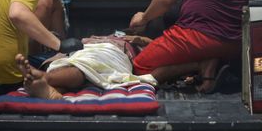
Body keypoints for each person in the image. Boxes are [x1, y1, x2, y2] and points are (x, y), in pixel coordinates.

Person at [14, 34, 157, 100]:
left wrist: (138, 38)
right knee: (65, 62)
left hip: (110, 51)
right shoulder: (95, 37)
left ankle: (46, 78)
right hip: (81, 48)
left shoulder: (128, 42)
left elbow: (154, 44)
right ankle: (51, 88)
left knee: (84, 65)